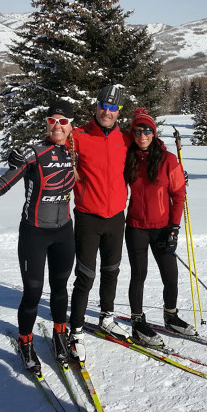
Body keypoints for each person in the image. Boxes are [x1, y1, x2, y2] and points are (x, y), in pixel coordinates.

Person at [0, 100, 77, 374]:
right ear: (46, 123)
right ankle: (25, 341)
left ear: (70, 126)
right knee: (33, 291)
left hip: (64, 230)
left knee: (60, 288)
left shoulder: (75, 152)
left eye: (63, 121)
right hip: (35, 231)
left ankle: (59, 334)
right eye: (52, 120)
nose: (57, 126)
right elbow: (3, 183)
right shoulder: (32, 153)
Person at [68, 85, 132, 362]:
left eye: (113, 107)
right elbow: (52, 148)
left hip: (117, 216)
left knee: (112, 270)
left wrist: (176, 172)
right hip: (88, 215)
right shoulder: (79, 137)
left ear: (119, 111)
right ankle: (76, 330)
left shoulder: (126, 139)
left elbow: (149, 156)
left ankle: (107, 317)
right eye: (103, 105)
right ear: (95, 106)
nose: (107, 111)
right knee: (85, 274)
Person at [123, 107, 196, 347]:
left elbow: (178, 194)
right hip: (135, 227)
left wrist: (174, 228)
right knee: (139, 275)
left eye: (147, 131)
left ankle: (171, 316)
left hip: (162, 228)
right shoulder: (128, 157)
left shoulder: (168, 160)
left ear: (154, 133)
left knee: (170, 276)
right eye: (137, 131)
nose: (142, 135)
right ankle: (137, 321)